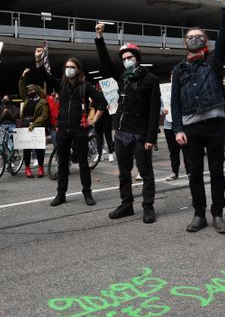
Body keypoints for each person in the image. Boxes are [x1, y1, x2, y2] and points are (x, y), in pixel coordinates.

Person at [171, 0, 225, 233]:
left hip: (215, 125)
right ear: (185, 43)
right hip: (190, 128)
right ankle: (199, 214)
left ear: (205, 41)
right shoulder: (179, 70)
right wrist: (177, 128)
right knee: (194, 173)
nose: (194, 39)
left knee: (217, 172)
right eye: (190, 37)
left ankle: (217, 213)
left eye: (199, 36)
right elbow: (174, 101)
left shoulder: (214, 60)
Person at [95, 24, 161, 224]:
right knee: (124, 173)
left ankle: (148, 207)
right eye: (123, 59)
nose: (126, 61)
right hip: (122, 132)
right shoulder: (122, 77)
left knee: (146, 173)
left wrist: (151, 137)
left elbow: (153, 110)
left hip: (141, 135)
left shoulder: (150, 79)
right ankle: (126, 205)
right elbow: (106, 61)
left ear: (137, 58)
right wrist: (99, 37)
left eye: (129, 57)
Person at [35, 52, 105, 207]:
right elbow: (45, 76)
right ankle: (61, 194)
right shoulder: (61, 84)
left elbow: (102, 103)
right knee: (62, 163)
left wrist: (93, 119)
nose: (69, 69)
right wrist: (38, 60)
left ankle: (87, 193)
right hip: (62, 130)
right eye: (67, 67)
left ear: (78, 69)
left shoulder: (85, 86)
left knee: (83, 164)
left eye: (72, 67)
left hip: (80, 131)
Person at [18, 69, 49, 178]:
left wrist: (34, 124)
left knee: (39, 149)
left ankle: (40, 168)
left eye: (32, 90)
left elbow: (44, 116)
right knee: (27, 149)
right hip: (26, 126)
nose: (30, 92)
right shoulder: (27, 100)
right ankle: (27, 168)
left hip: (38, 127)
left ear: (37, 91)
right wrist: (23, 76)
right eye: (29, 91)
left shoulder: (43, 102)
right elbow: (21, 89)